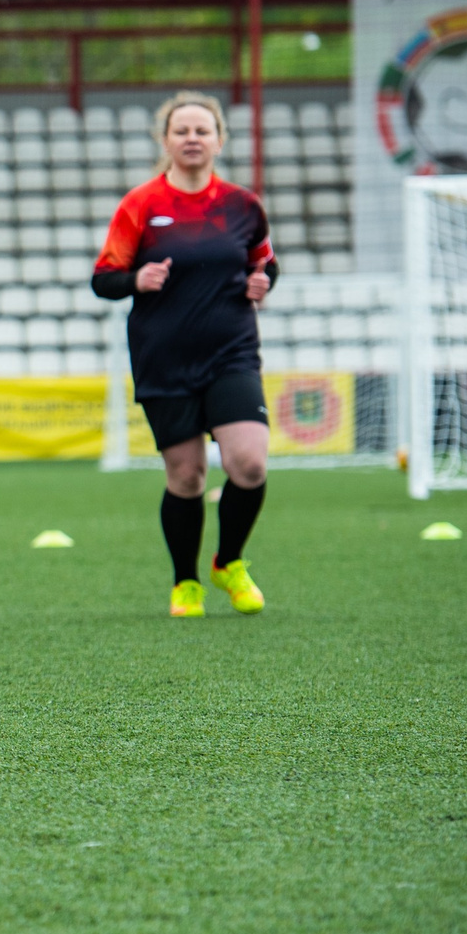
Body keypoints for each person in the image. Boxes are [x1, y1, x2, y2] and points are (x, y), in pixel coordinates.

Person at [93, 91, 277, 617]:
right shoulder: (141, 204)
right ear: (165, 140)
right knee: (187, 476)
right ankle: (186, 582)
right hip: (164, 360)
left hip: (232, 354)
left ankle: (229, 562)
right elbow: (103, 279)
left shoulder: (243, 206)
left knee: (249, 463)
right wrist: (136, 280)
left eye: (202, 130)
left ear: (219, 140)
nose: (192, 139)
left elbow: (265, 263)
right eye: (182, 131)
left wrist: (264, 282)